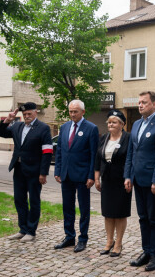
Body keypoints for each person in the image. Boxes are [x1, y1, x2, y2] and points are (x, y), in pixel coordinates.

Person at [124, 91, 155, 272]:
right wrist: (128, 176)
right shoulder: (136, 124)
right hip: (137, 179)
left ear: (154, 103)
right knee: (143, 218)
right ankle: (146, 251)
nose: (140, 105)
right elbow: (131, 152)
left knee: (153, 219)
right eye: (139, 102)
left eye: (144, 102)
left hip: (152, 181)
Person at [0, 102, 52, 243]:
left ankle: (31, 231)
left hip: (35, 171)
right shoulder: (18, 126)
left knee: (33, 201)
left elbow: (47, 152)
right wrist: (7, 120)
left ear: (35, 113)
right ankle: (23, 229)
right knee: (19, 199)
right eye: (24, 114)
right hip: (19, 169)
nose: (26, 116)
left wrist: (43, 173)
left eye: (29, 114)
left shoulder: (43, 128)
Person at [54, 100, 99, 253]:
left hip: (82, 176)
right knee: (67, 207)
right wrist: (57, 170)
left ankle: (83, 238)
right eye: (71, 111)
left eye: (75, 111)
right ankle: (69, 236)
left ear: (83, 112)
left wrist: (91, 175)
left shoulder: (91, 128)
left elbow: (94, 154)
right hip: (66, 174)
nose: (72, 114)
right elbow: (59, 150)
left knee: (84, 209)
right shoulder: (64, 127)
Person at [94, 110, 131, 257]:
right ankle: (109, 241)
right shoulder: (104, 138)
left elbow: (130, 159)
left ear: (122, 124)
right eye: (109, 122)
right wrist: (97, 178)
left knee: (120, 214)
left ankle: (118, 243)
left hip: (122, 181)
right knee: (108, 213)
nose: (110, 124)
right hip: (107, 180)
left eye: (114, 122)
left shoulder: (128, 138)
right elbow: (98, 159)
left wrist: (129, 178)